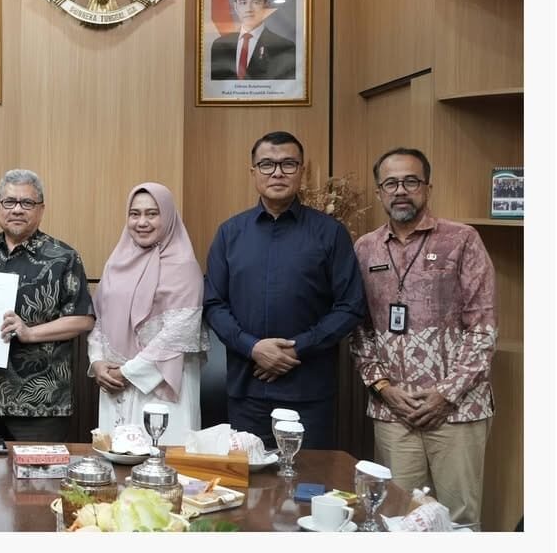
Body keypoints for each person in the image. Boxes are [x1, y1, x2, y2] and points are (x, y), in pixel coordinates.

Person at [350, 147, 496, 525]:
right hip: (393, 411)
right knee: (395, 517)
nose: (401, 190)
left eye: (411, 181)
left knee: (459, 520)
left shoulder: (462, 240)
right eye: (391, 183)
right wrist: (383, 388)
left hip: (458, 410)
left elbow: (482, 330)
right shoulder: (364, 248)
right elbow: (358, 330)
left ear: (428, 188)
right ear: (379, 192)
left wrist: (445, 395)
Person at [203, 131, 366, 449]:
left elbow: (351, 305)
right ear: (253, 172)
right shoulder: (230, 233)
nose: (277, 172)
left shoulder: (330, 233)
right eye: (267, 164)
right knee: (248, 475)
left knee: (309, 477)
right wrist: (253, 347)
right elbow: (213, 303)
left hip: (309, 391)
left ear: (301, 171)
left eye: (288, 164)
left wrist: (297, 348)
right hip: (247, 390)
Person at [0, 169, 94, 442]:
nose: (17, 209)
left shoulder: (63, 256)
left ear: (41, 209)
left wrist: (30, 333)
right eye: (9, 202)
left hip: (41, 404)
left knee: (38, 471)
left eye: (27, 203)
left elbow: (83, 318)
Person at [87, 183, 208, 445]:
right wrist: (97, 362)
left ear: (168, 216)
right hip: (114, 384)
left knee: (160, 461)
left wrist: (128, 372)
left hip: (161, 385)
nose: (142, 222)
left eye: (152, 214)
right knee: (115, 457)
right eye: (135, 214)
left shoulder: (184, 266)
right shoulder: (116, 262)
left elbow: (180, 332)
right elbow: (100, 319)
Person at [210, 0, 296, 80]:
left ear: (266, 6)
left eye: (256, 2)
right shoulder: (219, 45)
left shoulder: (283, 47)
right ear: (236, 7)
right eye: (243, 2)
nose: (249, 9)